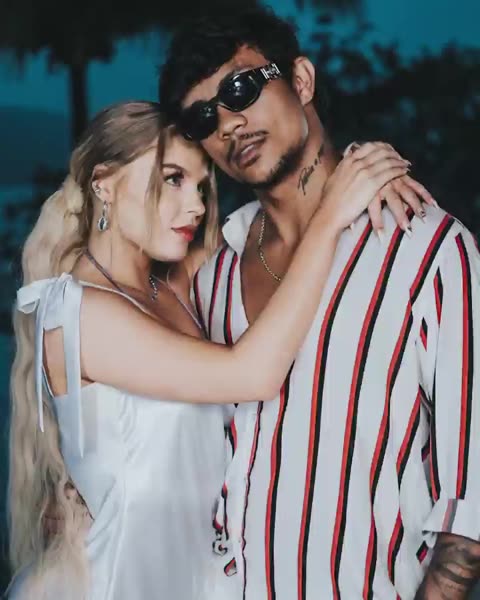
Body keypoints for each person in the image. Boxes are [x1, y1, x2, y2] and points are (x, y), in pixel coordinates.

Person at [6, 99, 417, 600]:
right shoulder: (78, 313)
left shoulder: (175, 284)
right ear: (104, 184)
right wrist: (333, 215)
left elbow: (285, 220)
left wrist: (365, 171)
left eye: (201, 185)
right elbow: (252, 375)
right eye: (173, 179)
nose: (197, 205)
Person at [159, 8, 480, 599]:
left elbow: (472, 494)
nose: (228, 123)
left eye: (241, 88)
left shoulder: (427, 251)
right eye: (204, 117)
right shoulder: (212, 278)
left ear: (301, 81)